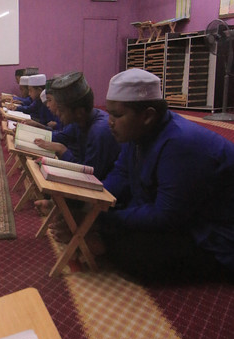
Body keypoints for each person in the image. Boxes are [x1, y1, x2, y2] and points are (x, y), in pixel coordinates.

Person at [97, 68, 234, 281]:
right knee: (108, 221)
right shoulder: (136, 134)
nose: (110, 122)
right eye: (110, 113)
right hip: (183, 215)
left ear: (147, 116)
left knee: (133, 253)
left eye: (118, 115)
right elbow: (120, 175)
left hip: (216, 234)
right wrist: (92, 204)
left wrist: (103, 219)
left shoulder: (181, 143)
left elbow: (166, 216)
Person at [34, 71, 120, 179]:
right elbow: (59, 137)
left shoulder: (99, 132)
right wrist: (28, 132)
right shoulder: (78, 120)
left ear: (79, 111)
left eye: (61, 110)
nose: (57, 113)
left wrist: (62, 150)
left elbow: (89, 176)